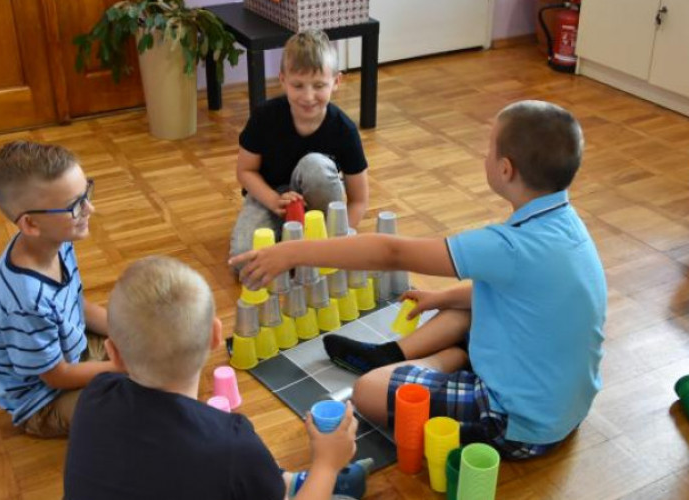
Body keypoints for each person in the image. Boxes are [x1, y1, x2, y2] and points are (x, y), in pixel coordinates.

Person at [231, 100, 607, 459]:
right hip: (564, 407)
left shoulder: (506, 246)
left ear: (505, 169)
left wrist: (291, 252)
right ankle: (396, 354)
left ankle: (445, 361)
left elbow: (391, 252)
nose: (485, 156)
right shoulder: (566, 224)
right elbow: (520, 293)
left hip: (516, 424)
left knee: (368, 391)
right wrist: (442, 298)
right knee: (463, 302)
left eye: (489, 149)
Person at [64, 256, 363, 500]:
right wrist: (327, 464)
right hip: (233, 463)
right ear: (216, 336)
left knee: (247, 473)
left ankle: (283, 482)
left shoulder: (96, 394)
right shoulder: (231, 443)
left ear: (113, 354)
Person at [0, 140, 121, 438]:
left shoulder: (56, 240)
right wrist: (122, 368)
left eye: (86, 194)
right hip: (42, 400)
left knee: (148, 341)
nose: (90, 208)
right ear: (31, 224)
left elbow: (76, 303)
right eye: (75, 205)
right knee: (133, 405)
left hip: (73, 352)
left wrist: (127, 332)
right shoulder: (26, 300)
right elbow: (56, 377)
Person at [229, 29, 369, 265]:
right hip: (270, 195)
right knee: (244, 263)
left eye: (319, 85)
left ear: (336, 82)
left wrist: (338, 238)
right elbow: (245, 171)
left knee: (315, 165)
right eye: (298, 85)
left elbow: (359, 200)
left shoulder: (344, 129)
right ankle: (289, 240)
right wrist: (274, 200)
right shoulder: (264, 117)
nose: (308, 96)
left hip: (318, 196)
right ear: (283, 80)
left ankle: (306, 241)